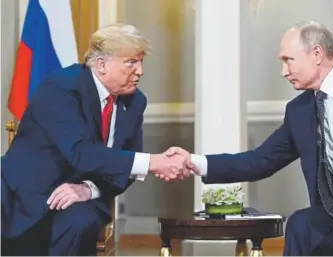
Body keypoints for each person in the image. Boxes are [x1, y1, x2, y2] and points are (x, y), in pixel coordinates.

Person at [163, 21, 333, 255]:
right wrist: (194, 161)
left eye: (288, 60)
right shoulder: (300, 110)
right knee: (302, 224)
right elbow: (261, 160)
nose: (283, 71)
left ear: (317, 54)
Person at [1, 23, 192, 255]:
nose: (140, 71)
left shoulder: (134, 101)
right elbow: (83, 152)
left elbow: (126, 167)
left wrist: (88, 189)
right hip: (24, 195)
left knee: (81, 222)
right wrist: (154, 162)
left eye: (141, 62)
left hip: (79, 198)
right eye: (131, 62)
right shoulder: (62, 87)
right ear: (101, 64)